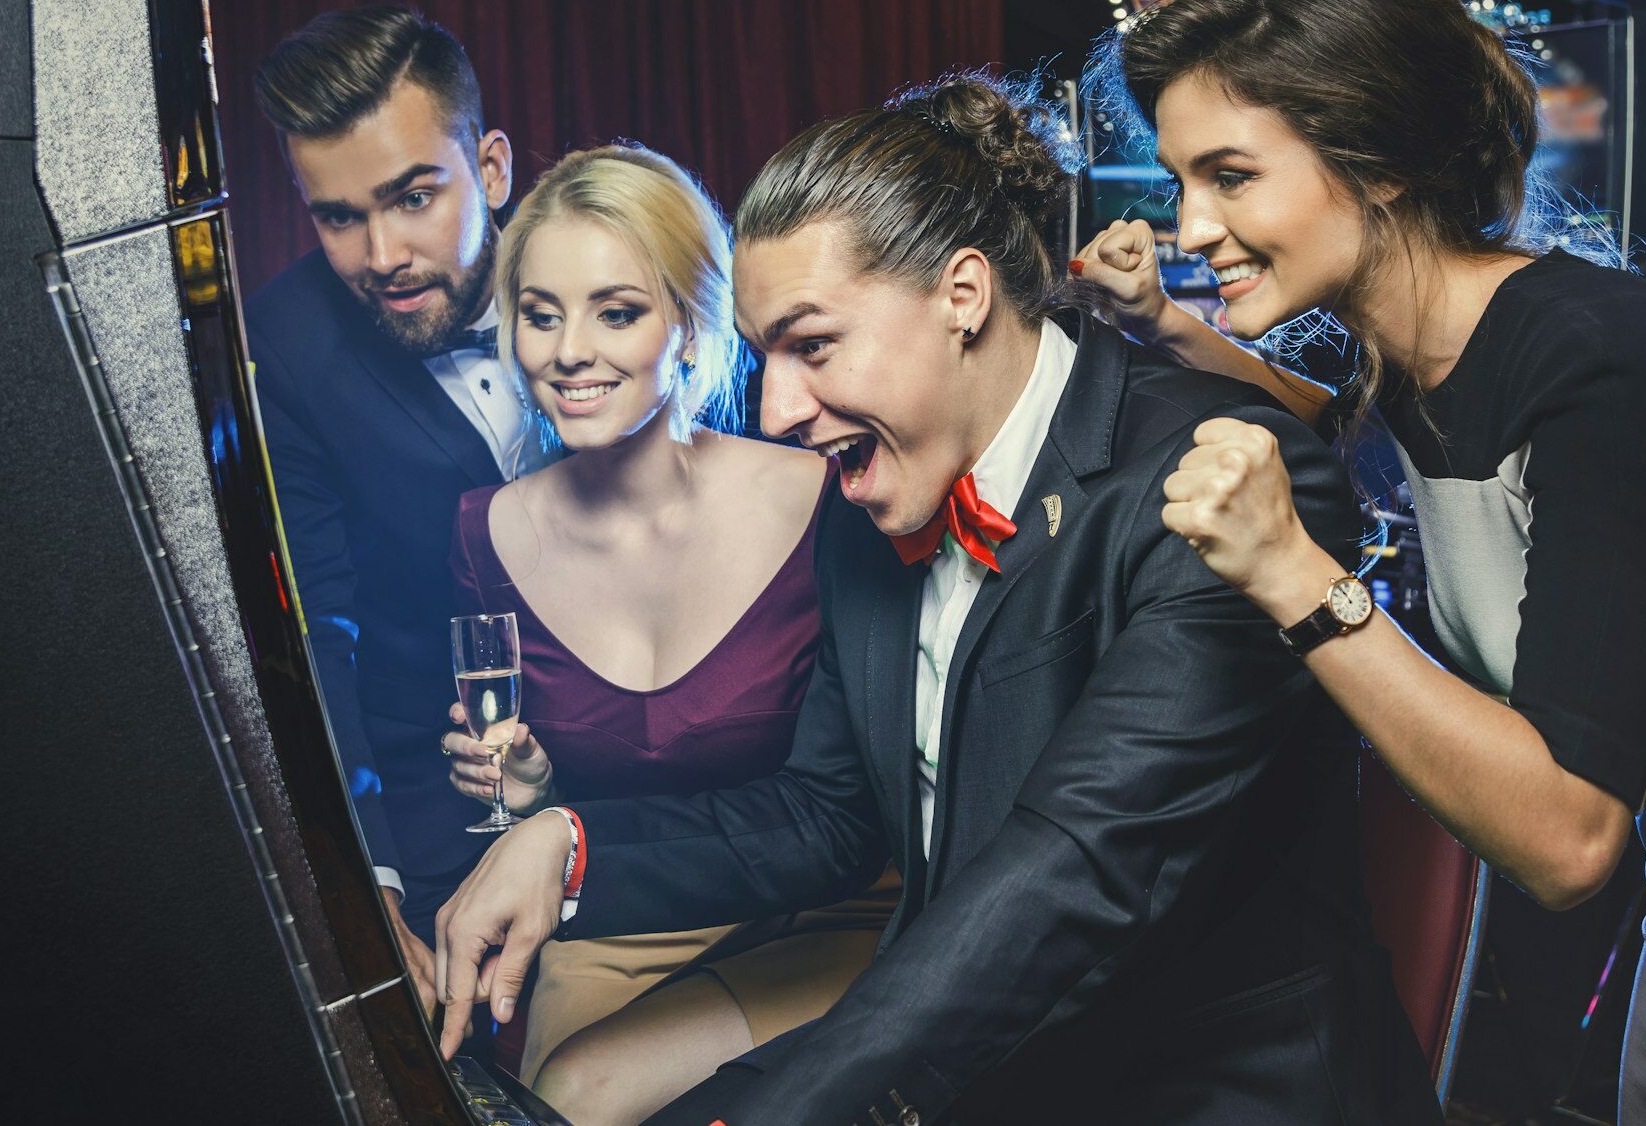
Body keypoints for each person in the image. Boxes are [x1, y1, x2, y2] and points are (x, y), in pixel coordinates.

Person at [434, 75, 1438, 1125]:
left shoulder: (1220, 478)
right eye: (766, 353)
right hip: (985, 1056)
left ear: (961, 296)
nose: (777, 407)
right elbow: (824, 819)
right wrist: (567, 843)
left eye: (812, 345)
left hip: (1198, 1083)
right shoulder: (863, 504)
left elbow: (1072, 868)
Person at [1077, 2, 1646, 1122]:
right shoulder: (1413, 354)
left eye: (1228, 175)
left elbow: (1565, 839)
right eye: (1180, 183)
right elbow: (1345, 429)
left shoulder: (1590, 354)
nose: (1190, 224)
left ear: (1380, 163)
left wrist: (1295, 579)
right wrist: (1162, 322)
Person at [438, 143, 896, 1120]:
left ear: (690, 324)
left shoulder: (823, 498)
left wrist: (560, 833)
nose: (568, 350)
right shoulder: (486, 531)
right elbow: (540, 821)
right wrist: (535, 793)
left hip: (823, 908)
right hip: (624, 915)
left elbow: (851, 806)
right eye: (540, 312)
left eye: (615, 310)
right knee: (546, 1101)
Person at [246, 5, 549, 1015]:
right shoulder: (286, 345)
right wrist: (362, 883)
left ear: (491, 169)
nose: (381, 253)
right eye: (337, 216)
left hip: (654, 765)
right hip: (433, 814)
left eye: (413, 197)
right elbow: (314, 634)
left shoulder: (605, 264)